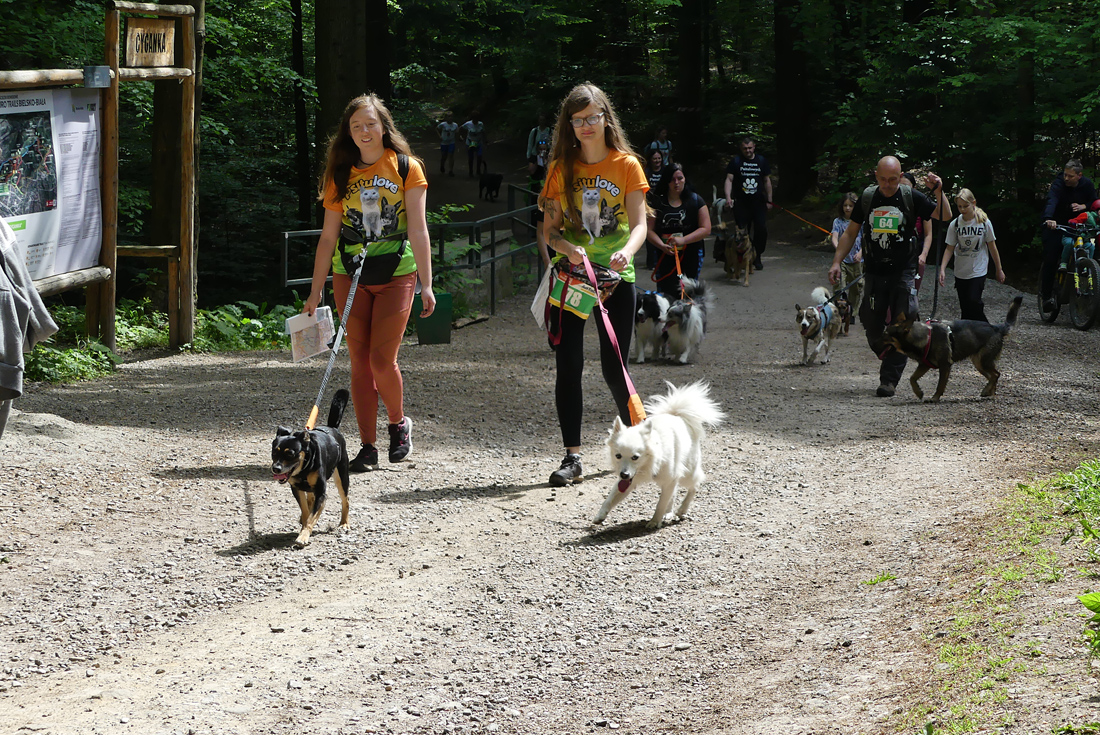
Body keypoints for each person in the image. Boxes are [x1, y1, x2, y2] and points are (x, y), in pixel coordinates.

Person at [304, 93, 435, 470]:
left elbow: (419, 229)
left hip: (397, 272)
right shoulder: (340, 173)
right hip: (350, 272)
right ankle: (367, 446)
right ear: (348, 131)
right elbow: (328, 237)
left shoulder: (407, 168)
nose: (364, 131)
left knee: (381, 360)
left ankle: (398, 424)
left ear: (384, 127)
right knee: (360, 363)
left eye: (371, 124)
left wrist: (427, 284)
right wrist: (315, 290)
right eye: (356, 125)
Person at [538, 82, 649, 487]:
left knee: (615, 368)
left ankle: (640, 446)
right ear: (569, 124)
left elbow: (639, 224)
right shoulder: (559, 169)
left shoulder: (627, 165)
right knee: (568, 366)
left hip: (616, 279)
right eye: (578, 119)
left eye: (592, 117)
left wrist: (628, 252)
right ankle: (572, 457)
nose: (586, 125)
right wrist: (567, 248)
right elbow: (549, 231)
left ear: (606, 118)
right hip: (572, 279)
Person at [829, 155, 951, 397]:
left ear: (900, 176)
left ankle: (888, 381)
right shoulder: (868, 198)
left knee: (903, 323)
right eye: (883, 179)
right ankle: (887, 349)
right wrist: (836, 262)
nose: (887, 185)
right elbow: (850, 233)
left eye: (893, 179)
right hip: (875, 271)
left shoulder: (910, 196)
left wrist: (939, 191)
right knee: (869, 319)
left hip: (903, 271)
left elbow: (944, 216)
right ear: (876, 176)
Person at [938, 188, 1004, 322]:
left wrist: (999, 269)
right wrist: (942, 269)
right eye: (959, 206)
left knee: (974, 301)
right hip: (961, 271)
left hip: (978, 269)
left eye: (965, 206)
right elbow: (949, 248)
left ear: (973, 203)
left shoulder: (984, 223)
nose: (962, 209)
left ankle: (987, 329)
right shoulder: (955, 224)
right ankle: (969, 333)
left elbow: (992, 247)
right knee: (965, 308)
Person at [1040, 160, 1098, 312]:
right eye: (1065, 175)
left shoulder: (1087, 185)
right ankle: (1046, 296)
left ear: (1079, 175)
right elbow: (1052, 200)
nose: (1066, 178)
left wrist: (1084, 206)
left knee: (1092, 249)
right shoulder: (1059, 184)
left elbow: (1094, 202)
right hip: (1057, 224)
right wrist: (1048, 218)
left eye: (1070, 176)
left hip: (1079, 226)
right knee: (1051, 256)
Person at [646, 163, 711, 297]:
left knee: (688, 292)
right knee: (666, 294)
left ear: (685, 179)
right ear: (666, 181)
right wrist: (661, 245)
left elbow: (706, 229)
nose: (676, 183)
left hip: (691, 253)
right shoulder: (657, 202)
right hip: (664, 254)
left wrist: (683, 240)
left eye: (680, 178)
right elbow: (648, 230)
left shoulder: (696, 200)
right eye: (672, 179)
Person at [723, 137, 772, 270]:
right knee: (742, 231)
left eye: (750, 148)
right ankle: (742, 257)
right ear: (741, 148)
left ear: (754, 147)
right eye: (745, 148)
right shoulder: (736, 161)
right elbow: (729, 180)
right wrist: (728, 198)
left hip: (758, 202)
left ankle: (757, 255)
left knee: (761, 229)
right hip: (741, 203)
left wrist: (769, 200)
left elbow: (767, 180)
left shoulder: (761, 161)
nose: (748, 151)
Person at [830, 192, 864, 319]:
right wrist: (839, 249)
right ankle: (838, 311)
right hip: (843, 260)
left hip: (857, 260)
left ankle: (852, 313)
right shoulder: (838, 221)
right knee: (839, 285)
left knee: (856, 288)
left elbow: (865, 239)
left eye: (851, 205)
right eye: (845, 205)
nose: (848, 208)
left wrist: (860, 253)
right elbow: (834, 237)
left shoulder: (861, 222)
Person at [902, 172, 935, 293]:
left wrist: (924, 254)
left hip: (916, 253)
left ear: (914, 188)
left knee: (912, 291)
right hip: (896, 255)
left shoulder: (921, 205)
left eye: (906, 187)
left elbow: (928, 234)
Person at [528, 138, 552, 267]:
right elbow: (531, 170)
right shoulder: (534, 157)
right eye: (540, 147)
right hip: (537, 187)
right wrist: (547, 261)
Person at [460, 111, 487, 177]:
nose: (475, 120)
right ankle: (471, 171)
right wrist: (461, 136)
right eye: (474, 118)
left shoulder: (481, 124)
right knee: (471, 157)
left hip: (478, 142)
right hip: (470, 142)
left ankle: (478, 170)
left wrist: (485, 141)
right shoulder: (468, 124)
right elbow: (461, 128)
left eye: (477, 118)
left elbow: (483, 132)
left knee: (479, 156)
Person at [436, 112, 458, 176]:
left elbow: (457, 132)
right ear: (446, 118)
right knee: (444, 156)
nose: (450, 118)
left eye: (451, 116)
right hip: (444, 143)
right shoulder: (443, 124)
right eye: (448, 116)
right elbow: (437, 129)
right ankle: (442, 165)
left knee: (451, 155)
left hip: (451, 142)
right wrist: (439, 136)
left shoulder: (455, 125)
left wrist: (458, 138)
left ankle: (451, 170)